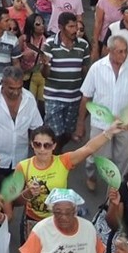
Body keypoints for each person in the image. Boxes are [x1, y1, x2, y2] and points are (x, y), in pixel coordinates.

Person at [78, 34, 128, 189]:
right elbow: (86, 98)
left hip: (126, 124)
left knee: (123, 158)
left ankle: (115, 189)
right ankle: (91, 174)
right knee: (98, 155)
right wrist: (80, 124)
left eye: (126, 51)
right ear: (110, 50)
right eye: (120, 51)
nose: (124, 55)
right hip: (100, 123)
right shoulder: (96, 68)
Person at [17, 188, 105, 253]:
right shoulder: (41, 229)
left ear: (75, 211)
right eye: (58, 212)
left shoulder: (88, 228)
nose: (63, 217)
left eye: (68, 212)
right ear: (52, 212)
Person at [41, 10, 91, 150]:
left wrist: (86, 93)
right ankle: (55, 159)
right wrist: (45, 64)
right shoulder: (50, 43)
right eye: (71, 27)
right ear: (61, 27)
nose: (75, 30)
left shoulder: (83, 45)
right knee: (54, 134)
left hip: (74, 97)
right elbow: (45, 74)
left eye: (76, 26)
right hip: (54, 97)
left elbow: (85, 70)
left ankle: (59, 153)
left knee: (68, 132)